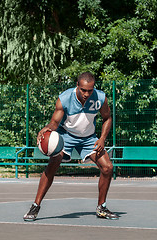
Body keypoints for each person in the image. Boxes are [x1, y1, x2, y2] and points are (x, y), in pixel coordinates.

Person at [23, 72, 119, 221]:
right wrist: (48, 127)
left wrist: (102, 139)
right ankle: (35, 206)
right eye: (83, 90)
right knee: (53, 164)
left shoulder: (100, 98)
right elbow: (55, 122)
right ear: (77, 86)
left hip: (89, 138)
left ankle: (102, 208)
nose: (87, 94)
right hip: (66, 136)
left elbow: (107, 118)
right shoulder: (65, 98)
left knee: (108, 167)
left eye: (90, 90)